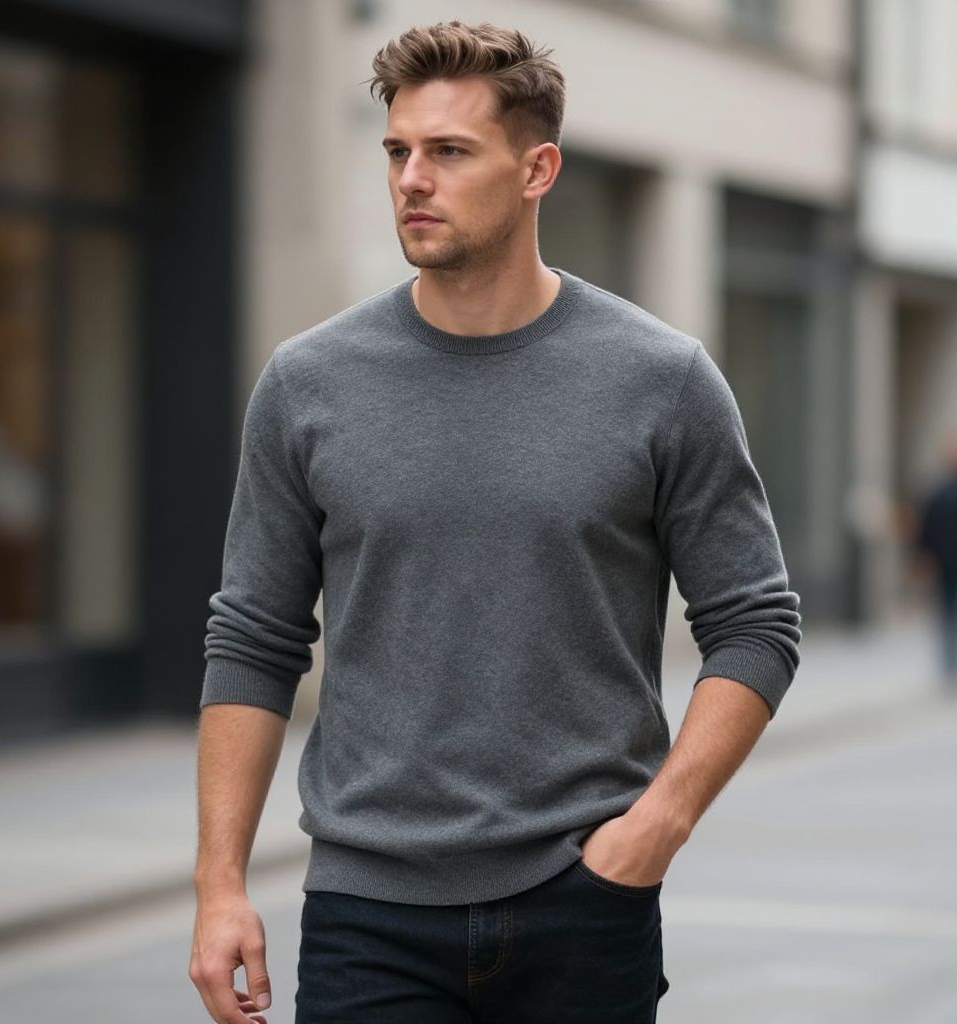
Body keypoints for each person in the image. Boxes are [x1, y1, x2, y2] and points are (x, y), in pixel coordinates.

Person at [189, 20, 802, 1024]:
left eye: (448, 151)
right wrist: (219, 886)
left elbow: (756, 624)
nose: (411, 179)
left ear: (536, 170)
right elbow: (253, 638)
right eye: (397, 150)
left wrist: (656, 827)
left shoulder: (662, 379)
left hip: (584, 902)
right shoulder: (308, 383)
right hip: (367, 911)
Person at [913, 427, 957, 689]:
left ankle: (950, 665)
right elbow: (926, 531)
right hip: (946, 566)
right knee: (946, 614)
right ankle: (949, 665)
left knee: (948, 614)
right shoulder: (937, 494)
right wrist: (923, 558)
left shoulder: (937, 493)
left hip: (945, 564)